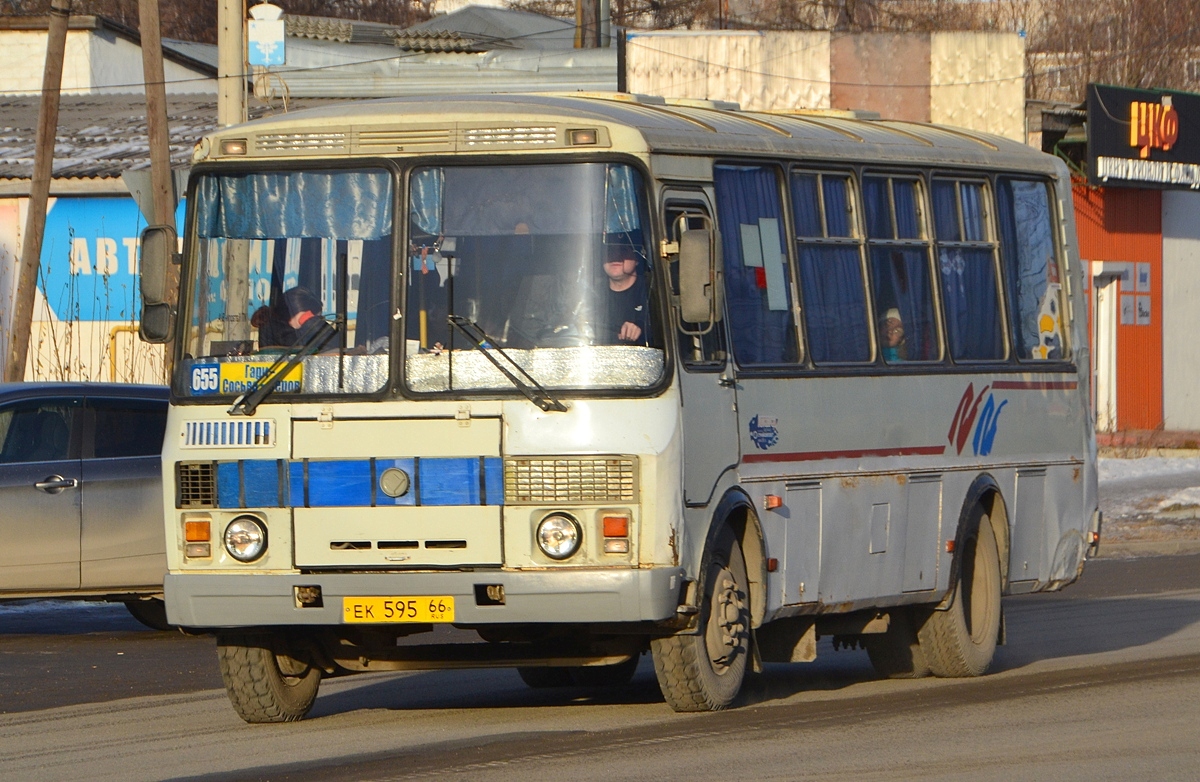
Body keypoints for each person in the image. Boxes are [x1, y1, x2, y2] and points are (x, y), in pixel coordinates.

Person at [601, 243, 649, 344]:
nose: (615, 257)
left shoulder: (653, 291)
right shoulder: (590, 295)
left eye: (622, 250)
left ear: (637, 258)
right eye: (610, 251)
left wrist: (639, 328)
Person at [251, 286, 324, 348]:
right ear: (295, 311)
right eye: (310, 316)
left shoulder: (275, 327)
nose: (312, 320)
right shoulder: (282, 335)